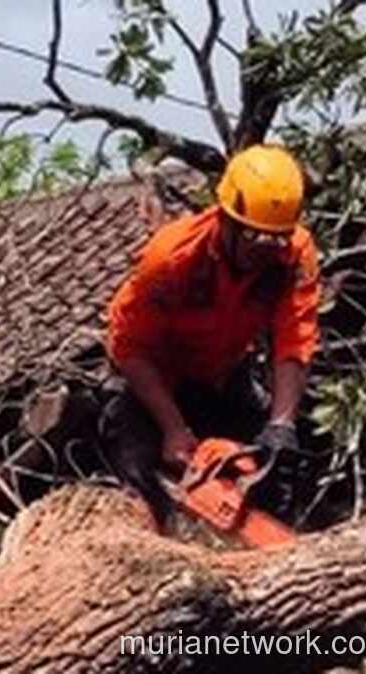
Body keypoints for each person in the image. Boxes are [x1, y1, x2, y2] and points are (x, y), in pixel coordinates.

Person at [101, 144, 321, 528]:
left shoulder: (293, 255)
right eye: (255, 236)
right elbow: (128, 347)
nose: (265, 249)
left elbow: (295, 338)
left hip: (224, 374)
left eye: (276, 238)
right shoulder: (172, 259)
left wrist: (281, 426)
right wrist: (173, 429)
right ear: (226, 219)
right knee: (137, 475)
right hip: (157, 381)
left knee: (278, 477)